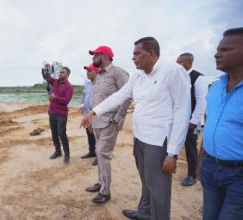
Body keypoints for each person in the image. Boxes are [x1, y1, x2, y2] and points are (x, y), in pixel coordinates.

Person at [81, 37, 191, 219]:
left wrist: (172, 153)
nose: (133, 58)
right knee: (146, 179)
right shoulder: (138, 75)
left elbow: (182, 111)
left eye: (137, 53)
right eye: (133, 54)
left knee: (159, 188)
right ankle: (144, 212)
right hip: (140, 138)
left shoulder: (173, 72)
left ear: (152, 54)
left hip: (158, 140)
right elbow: (120, 95)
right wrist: (94, 112)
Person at [196, 27, 243, 220]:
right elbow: (211, 127)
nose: (217, 54)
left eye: (225, 50)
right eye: (218, 49)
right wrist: (201, 161)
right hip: (210, 168)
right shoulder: (215, 87)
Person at [83, 46, 131, 204]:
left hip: (110, 121)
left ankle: (105, 192)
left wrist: (118, 117)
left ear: (104, 56)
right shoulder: (98, 75)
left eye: (95, 55)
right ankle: (100, 183)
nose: (93, 58)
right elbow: (96, 100)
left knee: (103, 153)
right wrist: (91, 118)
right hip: (97, 121)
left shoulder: (118, 72)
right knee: (99, 152)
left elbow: (127, 95)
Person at [176, 53, 208, 186]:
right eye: (177, 62)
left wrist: (193, 121)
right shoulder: (178, 76)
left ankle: (192, 175)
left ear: (189, 63)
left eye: (181, 62)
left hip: (195, 119)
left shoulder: (198, 78)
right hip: (181, 117)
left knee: (190, 146)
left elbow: (202, 103)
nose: (177, 64)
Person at [43, 66, 74, 163]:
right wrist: (45, 70)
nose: (60, 74)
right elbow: (47, 78)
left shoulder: (69, 87)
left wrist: (55, 98)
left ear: (68, 75)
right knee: (54, 133)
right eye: (60, 72)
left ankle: (67, 154)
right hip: (52, 112)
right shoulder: (55, 81)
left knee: (61, 133)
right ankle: (58, 151)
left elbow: (66, 101)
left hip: (61, 114)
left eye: (63, 72)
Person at [80, 64, 99, 166]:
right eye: (87, 71)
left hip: (96, 114)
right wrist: (82, 108)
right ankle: (91, 151)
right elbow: (83, 96)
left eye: (90, 71)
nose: (87, 73)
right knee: (89, 132)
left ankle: (99, 156)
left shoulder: (100, 84)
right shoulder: (87, 84)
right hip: (87, 113)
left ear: (96, 71)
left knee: (97, 134)